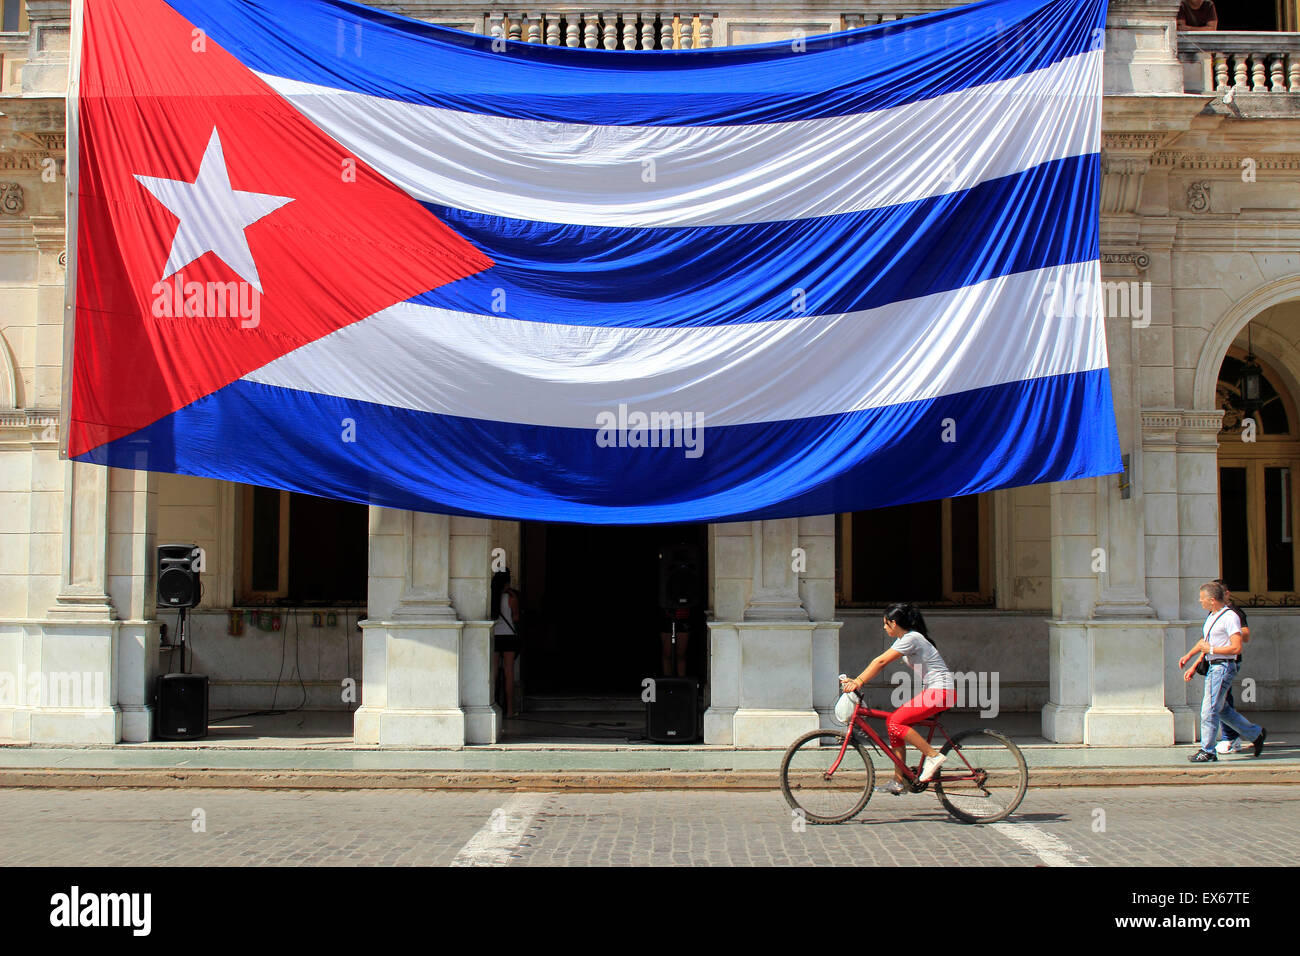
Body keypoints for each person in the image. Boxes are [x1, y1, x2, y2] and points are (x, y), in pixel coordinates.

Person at [840, 603, 955, 795]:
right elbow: (880, 662)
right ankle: (899, 781)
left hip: (941, 691)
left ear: (893, 623)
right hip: (935, 690)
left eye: (885, 624)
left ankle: (933, 756)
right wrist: (857, 680)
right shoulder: (906, 638)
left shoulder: (912, 638)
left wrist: (858, 681)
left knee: (895, 721)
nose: (884, 628)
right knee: (894, 727)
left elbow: (881, 661)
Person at [1179, 581, 1265, 762]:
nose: (1199, 601)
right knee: (1222, 709)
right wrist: (1191, 658)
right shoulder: (1212, 616)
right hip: (1214, 665)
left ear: (1211, 600)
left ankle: (1207, 751)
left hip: (1223, 667)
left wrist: (1210, 650)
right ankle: (1256, 734)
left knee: (1208, 709)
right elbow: (1205, 642)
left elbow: (1236, 648)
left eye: (1202, 598)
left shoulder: (1230, 617)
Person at [1213, 579, 1250, 754]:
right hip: (1216, 661)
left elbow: (1245, 635)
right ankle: (1237, 736)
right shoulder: (1214, 613)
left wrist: (1231, 631)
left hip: (1228, 661)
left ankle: (1232, 737)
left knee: (1221, 702)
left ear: (1226, 594)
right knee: (1221, 702)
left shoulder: (1233, 613)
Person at [491, 569, 522, 718]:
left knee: (494, 672)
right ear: (507, 582)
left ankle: (492, 704)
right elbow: (516, 618)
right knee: (509, 673)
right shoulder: (511, 598)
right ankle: (510, 710)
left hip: (495, 636)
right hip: (509, 637)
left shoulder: (492, 597)